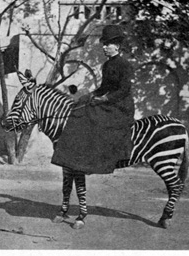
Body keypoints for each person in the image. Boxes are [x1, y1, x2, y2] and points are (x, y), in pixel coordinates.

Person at [51, 25, 135, 174]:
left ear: (117, 46)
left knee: (96, 118)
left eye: (107, 44)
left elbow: (124, 90)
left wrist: (105, 99)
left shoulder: (124, 65)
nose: (104, 47)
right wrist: (90, 95)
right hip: (109, 102)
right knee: (82, 108)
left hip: (121, 106)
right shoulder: (107, 65)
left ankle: (99, 162)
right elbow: (103, 87)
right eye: (104, 44)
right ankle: (75, 158)